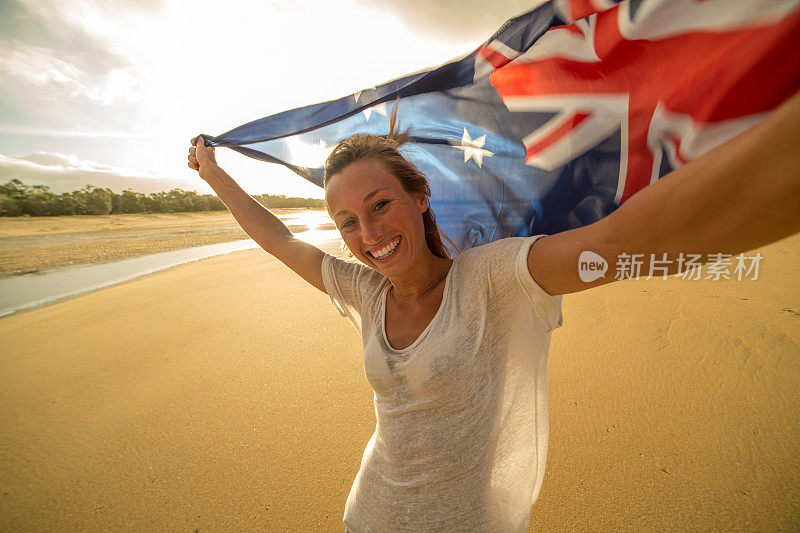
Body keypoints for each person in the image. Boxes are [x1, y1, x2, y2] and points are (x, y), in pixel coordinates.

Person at [187, 91, 800, 532]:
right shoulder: (365, 294)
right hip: (368, 515)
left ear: (420, 196)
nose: (368, 232)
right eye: (347, 222)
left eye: (380, 204)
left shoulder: (494, 278)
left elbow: (616, 245)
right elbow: (278, 240)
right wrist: (216, 175)